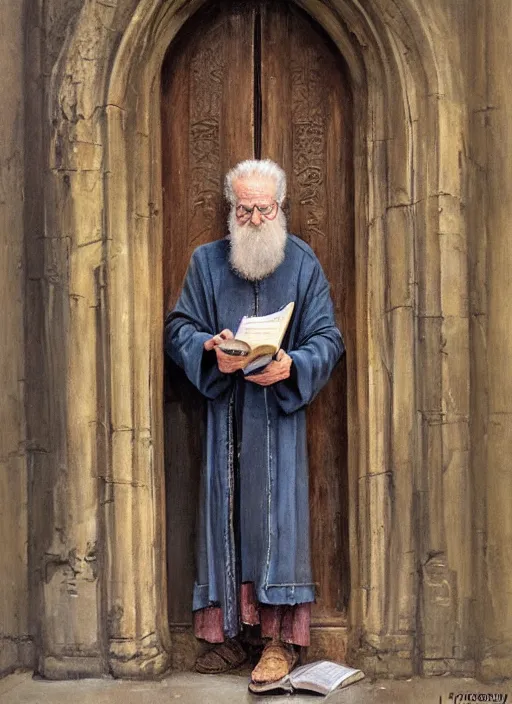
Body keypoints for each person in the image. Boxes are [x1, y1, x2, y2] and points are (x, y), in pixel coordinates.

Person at [165, 159, 344, 687]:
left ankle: (277, 643)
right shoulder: (207, 262)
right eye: (244, 209)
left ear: (280, 207)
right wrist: (207, 348)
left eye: (264, 209)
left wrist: (294, 364)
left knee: (276, 523)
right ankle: (226, 637)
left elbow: (328, 338)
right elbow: (179, 327)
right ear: (231, 210)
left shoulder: (304, 264)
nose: (254, 219)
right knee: (227, 519)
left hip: (277, 419)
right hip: (226, 416)